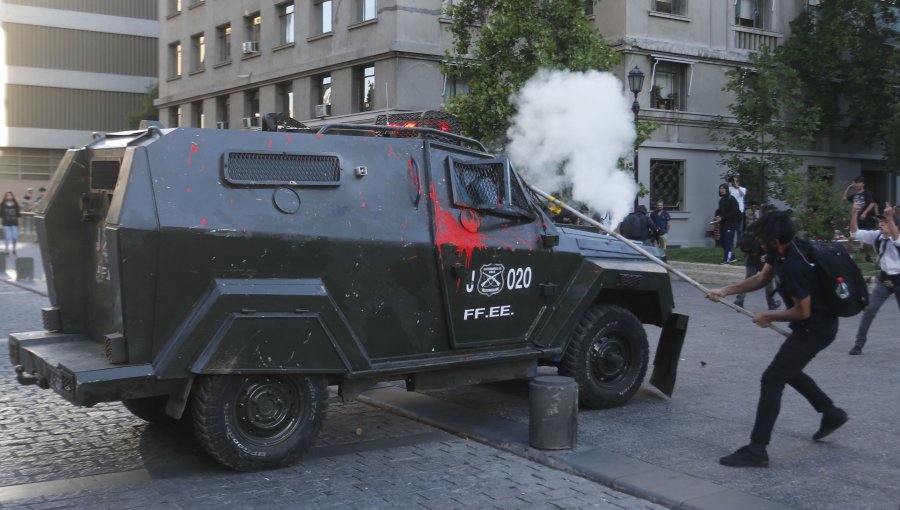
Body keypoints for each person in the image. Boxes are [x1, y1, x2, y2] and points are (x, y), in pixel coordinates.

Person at [706, 210, 848, 468]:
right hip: (810, 325)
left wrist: (768, 317)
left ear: (774, 239)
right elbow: (761, 278)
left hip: (817, 328)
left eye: (762, 236)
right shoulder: (779, 250)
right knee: (788, 371)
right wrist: (725, 291)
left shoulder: (795, 265)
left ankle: (757, 450)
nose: (759, 241)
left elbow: (802, 310)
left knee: (772, 378)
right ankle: (831, 413)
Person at [847, 201, 900, 355]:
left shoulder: (898, 236)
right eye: (880, 222)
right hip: (885, 280)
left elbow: (896, 238)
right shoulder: (877, 236)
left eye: (884, 223)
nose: (880, 225)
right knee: (870, 310)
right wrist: (853, 214)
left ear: (894, 225)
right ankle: (859, 344)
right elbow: (855, 233)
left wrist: (890, 216)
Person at [733, 216, 781, 311]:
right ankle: (771, 303)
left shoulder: (752, 226)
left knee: (748, 279)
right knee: (768, 279)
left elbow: (745, 241)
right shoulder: (767, 229)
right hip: (762, 258)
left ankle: (739, 299)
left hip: (750, 256)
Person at [844, 177, 878, 261]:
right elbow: (844, 198)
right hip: (855, 219)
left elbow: (872, 204)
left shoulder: (867, 193)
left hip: (865, 219)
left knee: (865, 241)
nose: (857, 184)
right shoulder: (855, 195)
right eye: (855, 183)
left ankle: (867, 255)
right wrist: (848, 188)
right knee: (850, 237)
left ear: (862, 184)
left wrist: (865, 212)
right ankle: (849, 256)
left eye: (858, 182)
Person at [718, 183, 740, 264]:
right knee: (722, 241)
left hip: (731, 224)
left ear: (727, 189)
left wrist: (723, 217)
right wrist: (718, 218)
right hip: (723, 224)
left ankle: (727, 260)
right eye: (720, 188)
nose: (722, 190)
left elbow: (735, 211)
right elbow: (721, 212)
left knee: (728, 241)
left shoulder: (732, 199)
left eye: (723, 188)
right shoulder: (721, 201)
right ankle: (732, 257)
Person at [2, 191, 21, 256]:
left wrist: (19, 224)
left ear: (12, 196)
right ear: (5, 197)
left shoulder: (16, 205)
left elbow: (18, 215)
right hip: (6, 224)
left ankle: (14, 248)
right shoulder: (2, 205)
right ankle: (6, 249)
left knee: (15, 237)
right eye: (7, 195)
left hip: (14, 223)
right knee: (7, 237)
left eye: (10, 195)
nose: (9, 196)